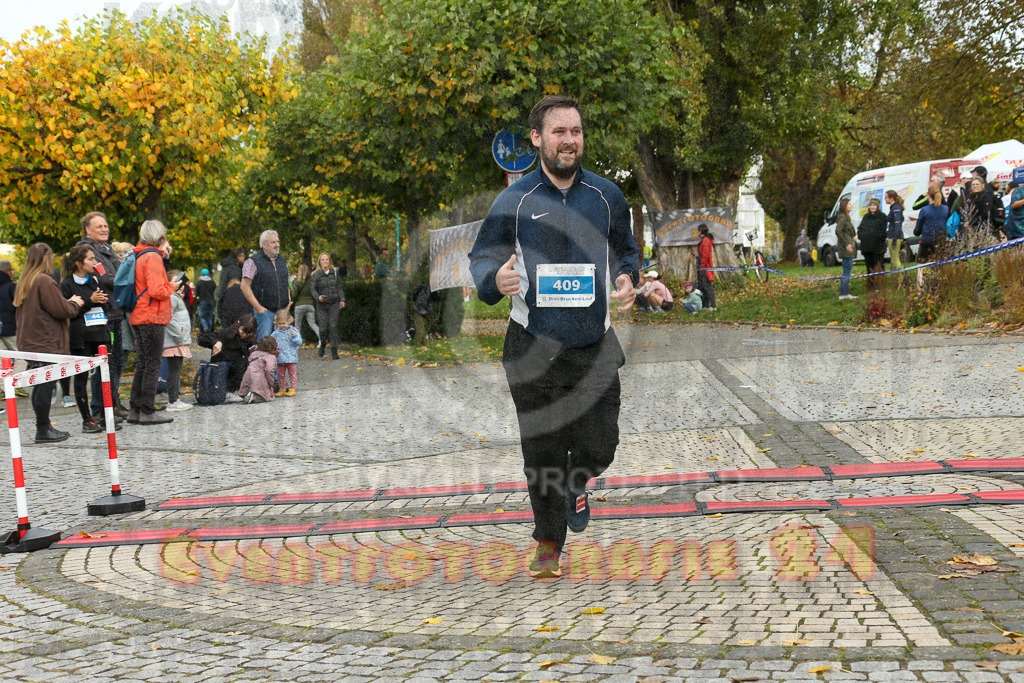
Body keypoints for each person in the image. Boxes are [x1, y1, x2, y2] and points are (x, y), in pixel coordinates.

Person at [468, 95, 639, 579]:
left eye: (577, 131)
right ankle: (547, 543)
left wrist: (627, 276)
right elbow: (483, 258)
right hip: (532, 344)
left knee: (601, 442)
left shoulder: (607, 196)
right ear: (538, 139)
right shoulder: (514, 201)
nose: (570, 140)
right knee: (541, 449)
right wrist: (493, 282)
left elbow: (625, 250)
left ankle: (577, 480)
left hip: (594, 343)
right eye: (559, 132)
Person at [14, 243, 84, 443]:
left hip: (31, 340)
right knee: (46, 384)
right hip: (46, 340)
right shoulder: (44, 280)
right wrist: (73, 303)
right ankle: (43, 429)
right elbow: (60, 310)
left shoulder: (25, 280)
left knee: (40, 385)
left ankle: (42, 427)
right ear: (46, 257)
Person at [59, 245, 119, 433]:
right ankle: (87, 419)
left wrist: (102, 301)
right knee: (82, 378)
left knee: (104, 376)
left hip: (100, 333)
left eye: (95, 258)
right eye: (91, 259)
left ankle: (103, 415)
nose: (95, 262)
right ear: (78, 263)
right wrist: (90, 301)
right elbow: (70, 312)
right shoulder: (67, 284)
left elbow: (108, 304)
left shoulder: (95, 280)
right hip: (81, 337)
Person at [128, 220, 181, 425]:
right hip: (152, 315)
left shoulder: (139, 253)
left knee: (143, 362)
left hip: (140, 314)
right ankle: (147, 411)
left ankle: (136, 408)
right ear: (159, 236)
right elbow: (157, 290)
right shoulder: (152, 257)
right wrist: (172, 287)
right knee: (152, 363)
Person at [77, 211, 128, 420]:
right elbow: (106, 279)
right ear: (88, 230)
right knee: (102, 363)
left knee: (115, 362)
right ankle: (100, 409)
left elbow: (116, 276)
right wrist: (125, 279)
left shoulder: (108, 250)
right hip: (102, 315)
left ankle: (113, 403)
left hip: (116, 312)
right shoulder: (88, 251)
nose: (104, 229)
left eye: (105, 225)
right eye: (99, 227)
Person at [241, 231, 290, 341]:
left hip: (282, 311)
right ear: (264, 245)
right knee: (264, 345)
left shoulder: (282, 260)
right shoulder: (252, 261)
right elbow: (244, 286)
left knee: (282, 346)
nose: (277, 244)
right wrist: (258, 308)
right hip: (265, 312)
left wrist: (289, 300)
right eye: (273, 242)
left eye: (278, 241)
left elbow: (287, 281)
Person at [203, 314, 257, 401]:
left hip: (235, 370)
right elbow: (203, 338)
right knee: (237, 364)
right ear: (239, 325)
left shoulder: (249, 339)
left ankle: (237, 390)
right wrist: (217, 342)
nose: (244, 335)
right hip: (222, 367)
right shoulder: (227, 333)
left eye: (248, 334)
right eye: (242, 331)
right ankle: (227, 391)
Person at [163, 270, 193, 412]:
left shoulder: (175, 297)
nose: (179, 284)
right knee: (174, 371)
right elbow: (168, 318)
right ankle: (173, 400)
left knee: (176, 370)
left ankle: (175, 398)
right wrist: (179, 336)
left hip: (177, 340)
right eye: (175, 281)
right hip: (174, 340)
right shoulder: (171, 297)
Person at [310, 252, 346, 359]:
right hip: (321, 305)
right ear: (319, 262)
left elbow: (339, 286)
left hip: (334, 303)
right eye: (322, 259)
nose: (325, 261)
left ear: (329, 261)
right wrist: (318, 297)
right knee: (323, 329)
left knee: (333, 327)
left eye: (327, 259)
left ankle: (334, 351)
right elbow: (313, 289)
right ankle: (323, 345)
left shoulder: (335, 272)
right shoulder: (316, 275)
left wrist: (342, 299)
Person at [914, 185, 950, 287]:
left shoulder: (925, 210)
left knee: (921, 265)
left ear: (929, 196)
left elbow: (918, 229)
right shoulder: (945, 209)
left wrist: (916, 232)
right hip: (941, 239)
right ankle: (938, 285)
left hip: (927, 239)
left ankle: (920, 288)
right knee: (939, 263)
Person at [857, 198, 887, 294]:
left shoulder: (882, 216)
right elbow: (860, 229)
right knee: (869, 267)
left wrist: (878, 239)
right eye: (871, 205)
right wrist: (862, 236)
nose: (872, 207)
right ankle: (871, 286)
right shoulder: (866, 217)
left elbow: (883, 231)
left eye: (874, 205)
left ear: (877, 206)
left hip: (877, 247)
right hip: (866, 247)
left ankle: (880, 285)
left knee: (878, 266)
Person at [238, 336, 278, 404]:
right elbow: (269, 370)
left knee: (248, 387)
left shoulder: (254, 353)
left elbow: (250, 350)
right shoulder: (270, 357)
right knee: (263, 396)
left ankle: (246, 394)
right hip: (258, 379)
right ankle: (254, 396)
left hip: (247, 376)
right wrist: (271, 383)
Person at [271, 309, 301, 396]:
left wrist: (294, 336)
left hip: (291, 357)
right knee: (281, 375)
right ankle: (282, 388)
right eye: (279, 323)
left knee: (292, 374)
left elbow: (299, 342)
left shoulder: (293, 331)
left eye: (283, 323)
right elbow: (272, 341)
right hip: (280, 358)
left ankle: (292, 388)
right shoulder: (275, 333)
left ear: (289, 321)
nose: (282, 325)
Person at [291, 263, 319, 345]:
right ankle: (322, 339)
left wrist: (294, 302)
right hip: (310, 305)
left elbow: (294, 295)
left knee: (297, 326)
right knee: (312, 324)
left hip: (299, 305)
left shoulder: (297, 282)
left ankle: (297, 343)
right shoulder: (311, 282)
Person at [836, 198, 857, 300]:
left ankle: (845, 293)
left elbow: (846, 231)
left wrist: (853, 236)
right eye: (849, 204)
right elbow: (838, 231)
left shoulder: (847, 218)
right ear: (844, 206)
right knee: (847, 271)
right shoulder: (843, 217)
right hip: (846, 248)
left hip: (849, 246)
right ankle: (843, 294)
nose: (851, 205)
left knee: (847, 270)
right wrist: (847, 244)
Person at [217, 248, 245, 317]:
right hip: (232, 303)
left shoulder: (226, 267)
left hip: (224, 300)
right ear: (239, 257)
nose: (244, 258)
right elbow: (235, 286)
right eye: (243, 256)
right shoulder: (235, 269)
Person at [696, 224, 716, 311]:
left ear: (700, 231)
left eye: (698, 231)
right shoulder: (703, 241)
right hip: (702, 266)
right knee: (703, 287)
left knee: (708, 287)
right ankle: (706, 305)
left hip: (705, 268)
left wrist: (702, 267)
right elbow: (702, 254)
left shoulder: (705, 241)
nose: (697, 232)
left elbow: (706, 256)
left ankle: (713, 306)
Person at [884, 190, 905, 272]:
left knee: (896, 260)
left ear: (891, 198)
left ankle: (901, 280)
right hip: (892, 235)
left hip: (895, 236)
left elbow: (897, 225)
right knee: (893, 260)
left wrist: (894, 240)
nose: (885, 199)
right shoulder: (893, 208)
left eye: (886, 197)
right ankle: (897, 279)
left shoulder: (896, 208)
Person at [195, 268, 216, 333]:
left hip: (203, 301)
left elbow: (197, 293)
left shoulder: (199, 283)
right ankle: (209, 332)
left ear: (202, 274)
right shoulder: (212, 282)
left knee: (202, 317)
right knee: (209, 317)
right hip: (211, 301)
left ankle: (205, 327)